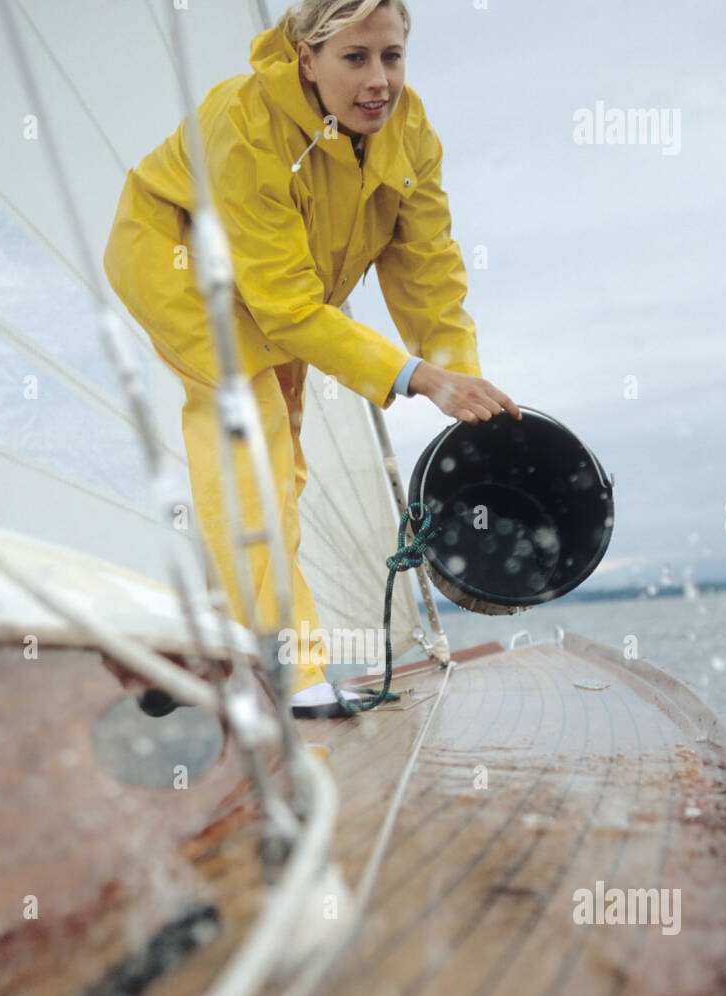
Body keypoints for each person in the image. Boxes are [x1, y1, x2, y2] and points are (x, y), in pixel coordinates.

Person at [103, 0, 520, 717]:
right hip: (180, 271)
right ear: (306, 59)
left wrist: (462, 385)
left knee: (284, 469)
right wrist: (416, 378)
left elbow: (431, 276)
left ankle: (206, 645)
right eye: (354, 59)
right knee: (253, 460)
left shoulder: (409, 132)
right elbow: (287, 307)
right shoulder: (241, 124)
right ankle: (291, 672)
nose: (379, 81)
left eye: (391, 56)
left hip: (287, 292)